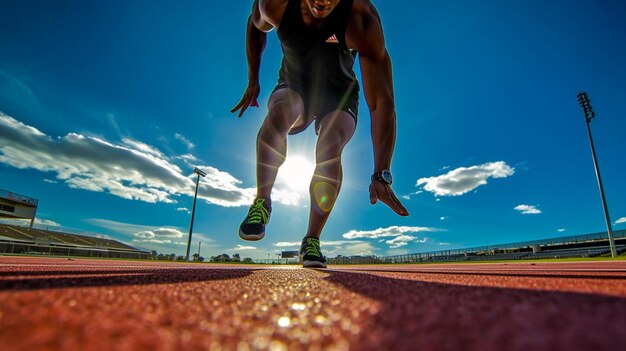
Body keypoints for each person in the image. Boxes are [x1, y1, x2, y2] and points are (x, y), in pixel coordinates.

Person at [232, 0, 409, 268]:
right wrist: (252, 80)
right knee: (280, 114)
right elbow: (254, 25)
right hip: (294, 84)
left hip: (339, 95)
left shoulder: (361, 19)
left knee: (330, 146)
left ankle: (311, 240)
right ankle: (262, 201)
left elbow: (382, 103)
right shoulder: (274, 4)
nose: (323, 1)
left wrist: (381, 173)